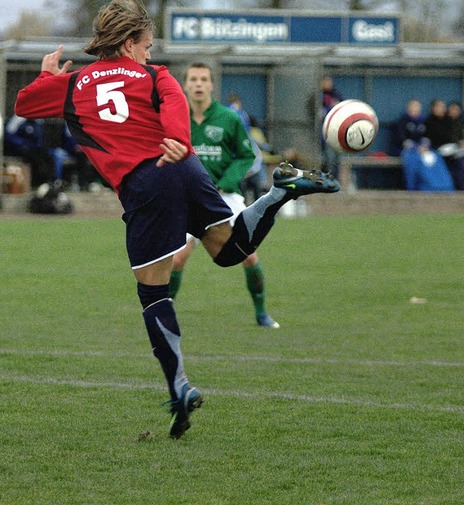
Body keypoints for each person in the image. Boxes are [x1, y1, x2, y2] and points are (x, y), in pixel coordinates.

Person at [14, 0, 339, 439]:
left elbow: (26, 104)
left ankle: (180, 385)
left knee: (153, 293)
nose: (150, 54)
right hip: (183, 166)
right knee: (230, 252)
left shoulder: (73, 84)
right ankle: (279, 191)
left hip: (145, 182)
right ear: (129, 44)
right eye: (147, 45)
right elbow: (175, 109)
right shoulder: (156, 75)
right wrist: (178, 142)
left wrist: (48, 76)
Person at [169, 63, 279, 329]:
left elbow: (246, 156)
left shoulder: (229, 119)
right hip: (187, 201)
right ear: (185, 84)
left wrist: (225, 182)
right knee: (176, 259)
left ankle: (261, 312)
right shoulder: (176, 117)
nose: (198, 84)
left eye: (203, 79)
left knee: (248, 255)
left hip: (224, 197)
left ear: (211, 85)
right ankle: (165, 314)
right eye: (193, 79)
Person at [423, 98, 464, 190]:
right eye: (439, 106)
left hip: (452, 148)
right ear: (433, 108)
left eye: (443, 106)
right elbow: (427, 138)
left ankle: (463, 185)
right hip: (437, 148)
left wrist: (463, 143)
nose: (442, 108)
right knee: (454, 158)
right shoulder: (428, 121)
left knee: (463, 155)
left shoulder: (449, 120)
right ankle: (453, 185)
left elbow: (455, 137)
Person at [4, 113, 55, 188]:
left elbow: (39, 139)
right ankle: (40, 182)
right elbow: (8, 135)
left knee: (49, 156)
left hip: (33, 148)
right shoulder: (18, 118)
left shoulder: (38, 121)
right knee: (34, 157)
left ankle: (51, 182)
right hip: (18, 148)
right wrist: (21, 143)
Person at [309, 76, 344, 179]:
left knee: (336, 156)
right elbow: (313, 111)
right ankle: (325, 178)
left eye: (329, 81)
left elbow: (342, 108)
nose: (328, 84)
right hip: (322, 131)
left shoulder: (336, 95)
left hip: (336, 130)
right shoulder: (317, 96)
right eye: (325, 81)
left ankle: (335, 179)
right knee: (326, 156)